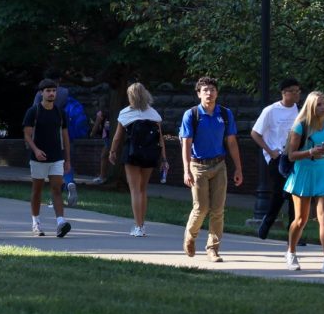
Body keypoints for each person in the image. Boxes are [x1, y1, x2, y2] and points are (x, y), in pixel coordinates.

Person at [179, 76, 243, 262]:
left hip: (219, 165)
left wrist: (238, 168)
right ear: (198, 94)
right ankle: (190, 237)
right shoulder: (191, 114)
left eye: (212, 89)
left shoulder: (224, 114)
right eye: (205, 90)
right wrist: (186, 170)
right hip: (197, 165)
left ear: (217, 93)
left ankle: (213, 249)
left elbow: (231, 142)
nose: (209, 93)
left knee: (218, 209)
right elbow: (186, 143)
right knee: (201, 207)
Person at [283, 91, 324, 273]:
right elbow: (291, 155)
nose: (323, 108)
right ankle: (291, 252)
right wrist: (310, 152)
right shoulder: (301, 126)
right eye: (319, 105)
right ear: (311, 107)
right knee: (301, 219)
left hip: (323, 172)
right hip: (303, 173)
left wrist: (321, 156)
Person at [108, 82, 167, 237]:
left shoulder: (125, 113)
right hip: (150, 154)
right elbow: (160, 138)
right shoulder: (154, 114)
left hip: (132, 154)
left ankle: (138, 226)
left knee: (134, 190)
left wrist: (112, 152)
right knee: (143, 189)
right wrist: (164, 158)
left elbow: (117, 137)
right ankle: (143, 225)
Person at [251, 78, 303, 239]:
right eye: (292, 91)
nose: (296, 94)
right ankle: (267, 223)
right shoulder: (271, 111)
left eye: (298, 91)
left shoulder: (300, 111)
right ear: (284, 93)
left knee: (296, 194)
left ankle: (294, 234)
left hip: (296, 156)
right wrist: (270, 151)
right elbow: (255, 133)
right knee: (281, 193)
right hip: (278, 158)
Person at [22, 78, 72, 237]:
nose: (51, 93)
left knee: (57, 189)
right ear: (41, 93)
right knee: (37, 190)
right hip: (38, 158)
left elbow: (65, 137)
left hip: (56, 157)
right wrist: (36, 150)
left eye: (54, 90)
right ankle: (36, 223)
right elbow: (27, 135)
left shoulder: (60, 112)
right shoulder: (33, 111)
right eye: (48, 91)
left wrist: (67, 159)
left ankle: (61, 223)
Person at [29, 69, 81, 206]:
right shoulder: (64, 92)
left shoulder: (42, 94)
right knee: (65, 163)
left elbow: (34, 112)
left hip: (48, 134)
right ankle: (69, 182)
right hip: (65, 131)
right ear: (60, 79)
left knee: (52, 167)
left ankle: (55, 197)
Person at [89, 109, 112, 185]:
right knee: (105, 156)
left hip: (109, 138)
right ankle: (103, 176)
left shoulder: (101, 113)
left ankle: (102, 177)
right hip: (108, 137)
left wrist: (92, 134)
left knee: (104, 156)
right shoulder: (114, 112)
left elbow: (96, 126)